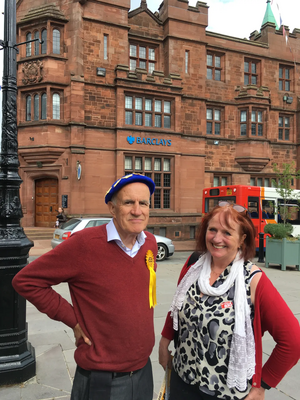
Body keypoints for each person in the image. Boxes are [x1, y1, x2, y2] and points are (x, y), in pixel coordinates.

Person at [13, 173, 158, 400]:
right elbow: (26, 281)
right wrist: (74, 320)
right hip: (103, 378)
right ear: (112, 208)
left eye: (144, 203)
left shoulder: (149, 243)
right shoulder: (85, 244)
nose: (137, 210)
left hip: (143, 370)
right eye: (129, 202)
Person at [159, 201, 300, 400]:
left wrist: (263, 385)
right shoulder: (194, 265)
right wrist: (164, 342)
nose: (217, 238)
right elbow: (177, 306)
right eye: (213, 230)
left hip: (227, 393)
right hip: (183, 381)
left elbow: (293, 341)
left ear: (242, 238)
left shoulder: (253, 280)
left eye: (227, 232)